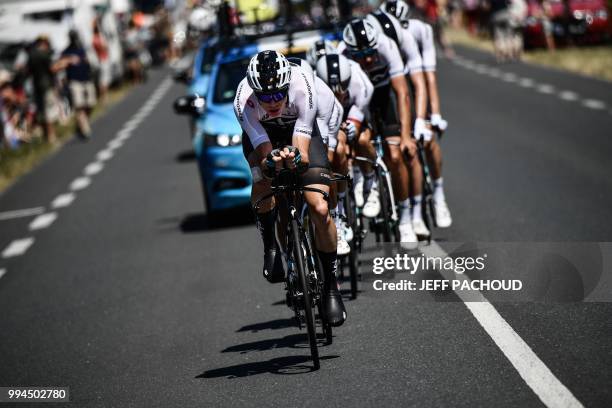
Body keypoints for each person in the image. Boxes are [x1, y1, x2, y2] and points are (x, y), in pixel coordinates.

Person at [233, 50, 346, 326]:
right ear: (254, 92)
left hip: (300, 131)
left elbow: (303, 154)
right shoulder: (243, 99)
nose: (272, 102)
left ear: (286, 86)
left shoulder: (302, 84)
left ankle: (331, 285)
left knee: (319, 207)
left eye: (277, 95)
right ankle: (270, 245)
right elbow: (262, 149)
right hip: (265, 137)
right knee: (262, 177)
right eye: (265, 97)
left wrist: (294, 158)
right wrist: (270, 161)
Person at [338, 18, 419, 246]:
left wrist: (404, 135)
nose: (368, 59)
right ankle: (370, 181)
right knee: (362, 141)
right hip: (359, 102)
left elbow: (402, 92)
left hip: (384, 97)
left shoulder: (386, 45)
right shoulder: (342, 54)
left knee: (395, 156)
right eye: (360, 55)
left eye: (370, 53)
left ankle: (404, 218)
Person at [383, 0, 453, 232]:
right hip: (393, 86)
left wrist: (430, 117)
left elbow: (426, 79)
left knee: (428, 138)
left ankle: (439, 193)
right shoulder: (384, 39)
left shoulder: (420, 31)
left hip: (415, 82)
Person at [26, 35, 63, 144]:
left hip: (37, 87)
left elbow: (28, 71)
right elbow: (52, 68)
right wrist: (62, 64)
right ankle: (52, 137)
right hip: (46, 86)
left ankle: (46, 136)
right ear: (44, 42)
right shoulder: (44, 54)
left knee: (42, 112)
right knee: (49, 113)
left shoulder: (31, 56)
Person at [61, 30, 97, 139]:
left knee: (90, 104)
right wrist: (68, 61)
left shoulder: (82, 50)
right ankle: (85, 130)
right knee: (79, 106)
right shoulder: (66, 52)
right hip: (74, 82)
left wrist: (88, 62)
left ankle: (82, 122)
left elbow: (90, 62)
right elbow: (60, 65)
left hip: (86, 79)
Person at [92, 21, 111, 104]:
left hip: (101, 60)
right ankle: (104, 97)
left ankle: (103, 97)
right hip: (103, 60)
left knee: (102, 80)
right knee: (104, 81)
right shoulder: (97, 39)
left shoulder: (94, 39)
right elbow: (104, 48)